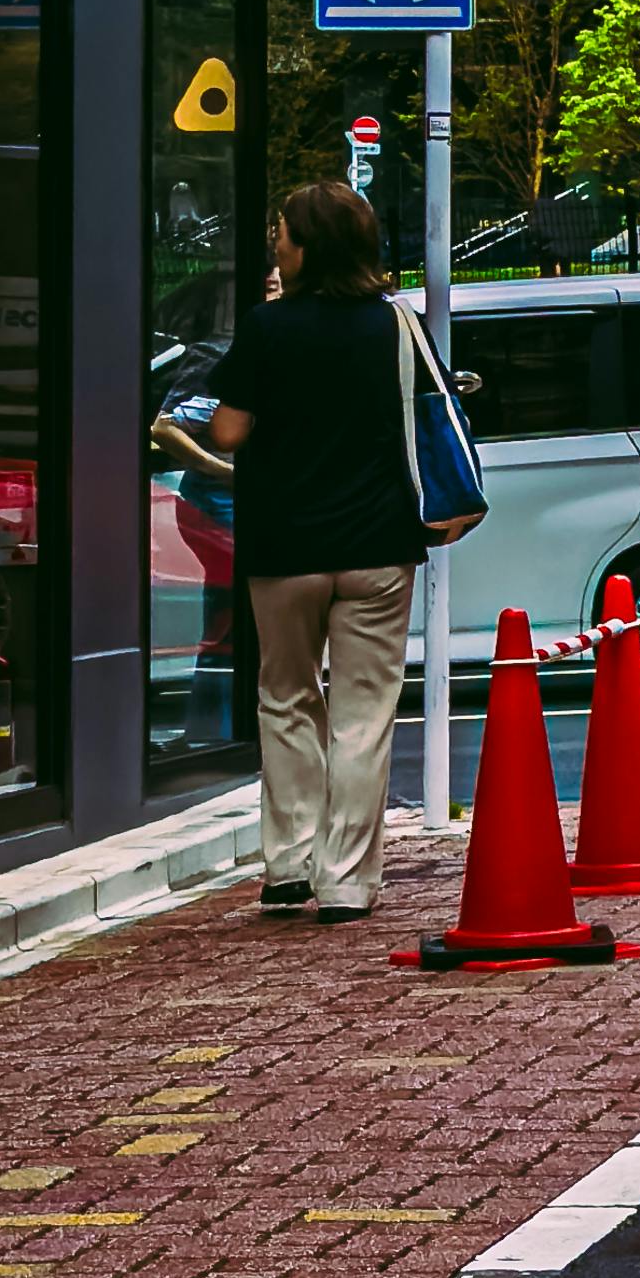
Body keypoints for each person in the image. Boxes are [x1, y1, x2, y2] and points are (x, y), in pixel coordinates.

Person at [169, 185, 429, 922]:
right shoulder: (395, 327)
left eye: (282, 232)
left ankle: (288, 865)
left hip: (284, 543)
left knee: (285, 700)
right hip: (378, 542)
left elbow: (224, 433)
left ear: (310, 246)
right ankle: (346, 880)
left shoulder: (267, 328)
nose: (275, 243)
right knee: (362, 714)